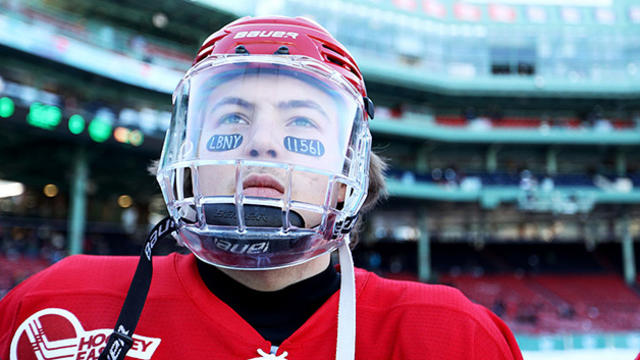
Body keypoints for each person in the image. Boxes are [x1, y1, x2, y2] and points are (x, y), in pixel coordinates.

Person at [0, 16, 523, 360]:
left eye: (301, 126)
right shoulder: (57, 306)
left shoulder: (454, 337)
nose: (263, 144)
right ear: (188, 158)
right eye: (231, 117)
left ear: (349, 180)